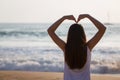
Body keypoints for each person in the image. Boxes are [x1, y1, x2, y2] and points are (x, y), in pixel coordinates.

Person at [47, 14, 106, 80]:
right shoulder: (88, 47)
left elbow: (50, 31)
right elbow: (102, 29)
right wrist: (88, 16)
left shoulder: (65, 48)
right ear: (83, 34)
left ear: (69, 36)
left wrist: (64, 18)